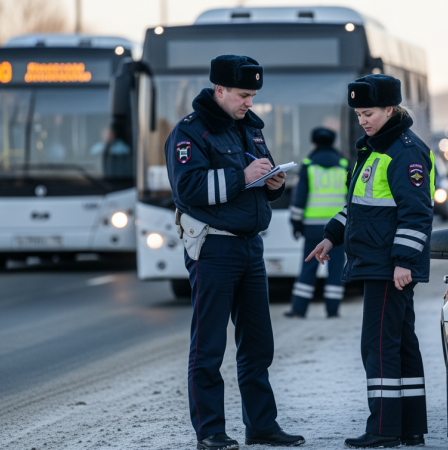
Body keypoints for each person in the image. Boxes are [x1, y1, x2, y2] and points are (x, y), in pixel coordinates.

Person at [165, 54, 304, 450]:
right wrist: (241, 176)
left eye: (254, 95)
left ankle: (261, 426)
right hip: (213, 247)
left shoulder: (250, 129)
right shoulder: (190, 133)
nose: (250, 103)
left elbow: (260, 181)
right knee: (208, 347)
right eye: (244, 95)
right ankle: (210, 432)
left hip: (250, 247)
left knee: (258, 345)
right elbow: (187, 190)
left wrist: (273, 185)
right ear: (219, 90)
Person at [307, 74, 434, 448]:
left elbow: (417, 214)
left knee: (377, 345)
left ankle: (382, 429)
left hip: (388, 266)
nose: (363, 120)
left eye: (369, 113)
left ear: (390, 109)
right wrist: (332, 236)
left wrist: (403, 261)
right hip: (380, 261)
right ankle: (409, 428)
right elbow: (360, 208)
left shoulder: (404, 151)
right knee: (400, 344)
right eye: (359, 113)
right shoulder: (374, 149)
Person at [285, 127, 348, 318]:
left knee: (308, 267)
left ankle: (299, 308)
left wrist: (296, 224)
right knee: (336, 268)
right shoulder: (344, 164)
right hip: (338, 227)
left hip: (312, 228)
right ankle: (332, 309)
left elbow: (299, 199)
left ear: (314, 143)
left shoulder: (308, 165)